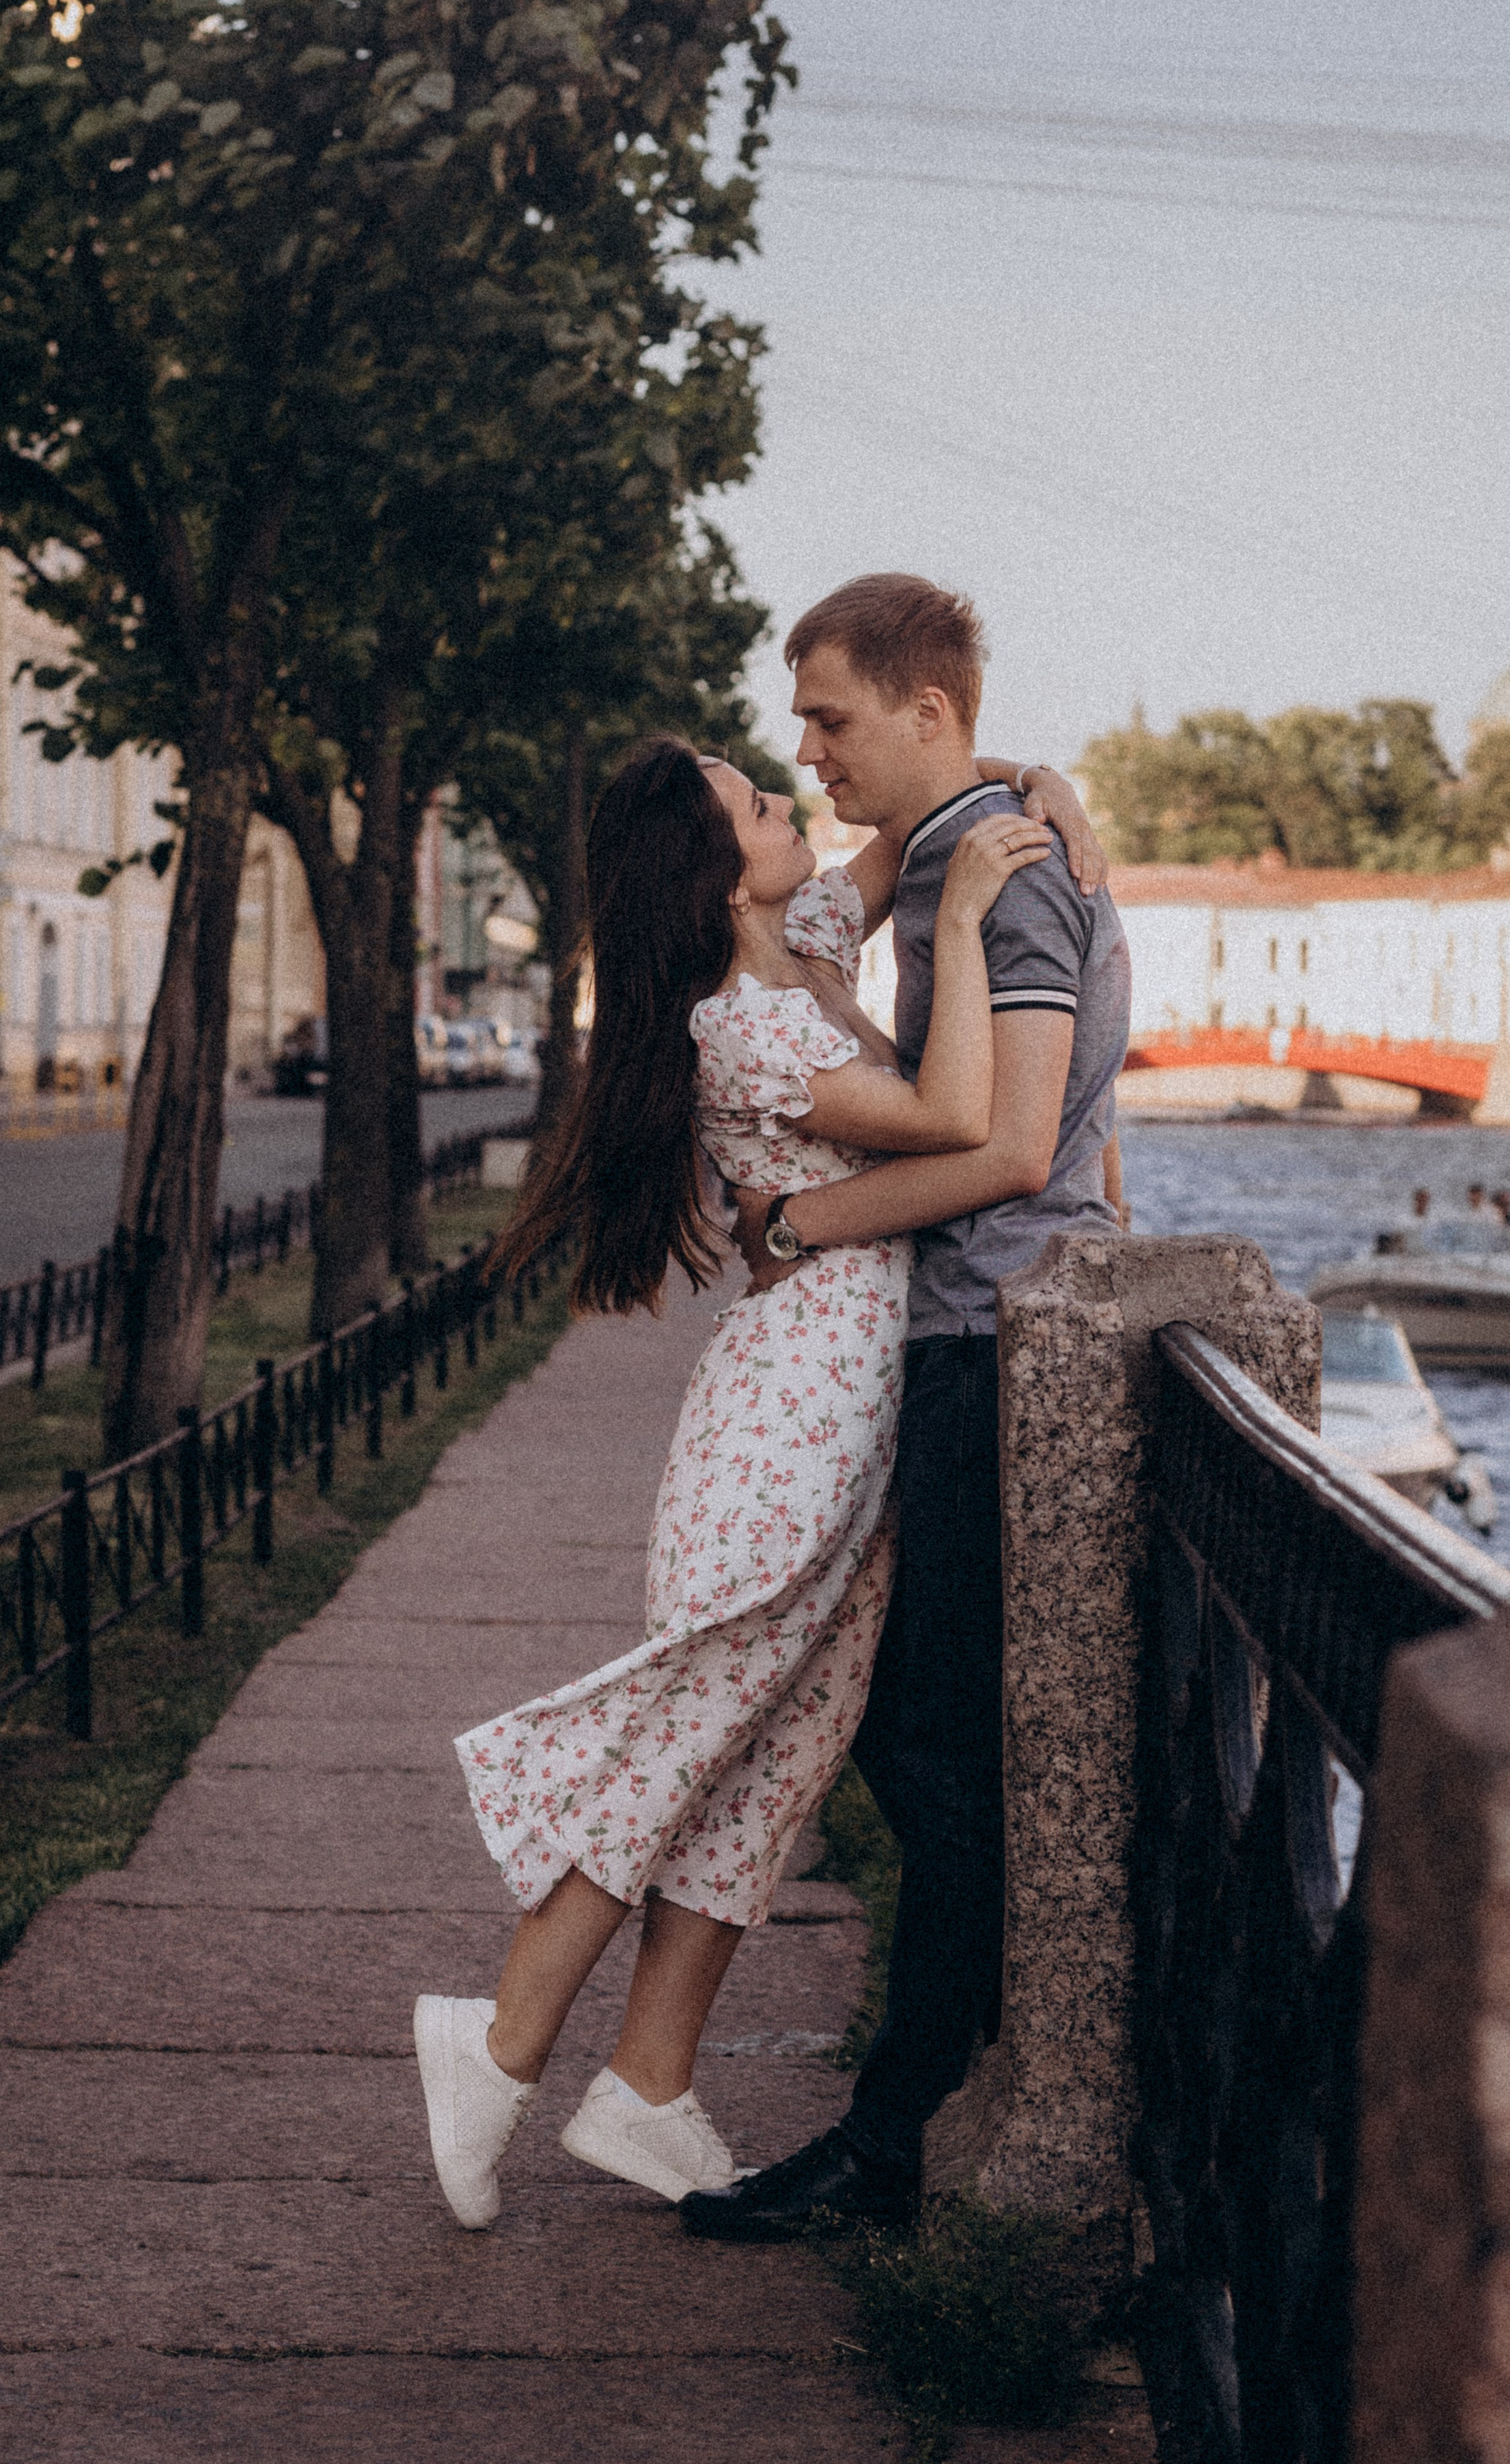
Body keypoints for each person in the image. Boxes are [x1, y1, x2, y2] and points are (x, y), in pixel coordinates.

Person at [412, 722, 1104, 2227]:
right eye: (751, 803)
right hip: (790, 1420)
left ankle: (646, 2088)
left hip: (852, 1413)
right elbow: (948, 1121)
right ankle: (502, 2035)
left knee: (773, 1762)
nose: (787, 800)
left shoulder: (800, 934)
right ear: (712, 876)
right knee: (691, 1726)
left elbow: (911, 835)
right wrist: (979, 922)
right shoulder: (744, 1021)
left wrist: (1034, 792)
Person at [682, 572, 1131, 2243]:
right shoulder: (979, 843)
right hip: (985, 1338)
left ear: (922, 711)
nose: (806, 752)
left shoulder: (995, 881)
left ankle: (902, 2133)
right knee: (930, 1743)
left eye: (829, 718)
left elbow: (1010, 1145)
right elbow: (1065, 1141)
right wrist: (1027, 773)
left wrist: (791, 1225)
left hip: (987, 1349)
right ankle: (911, 2113)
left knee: (934, 1753)